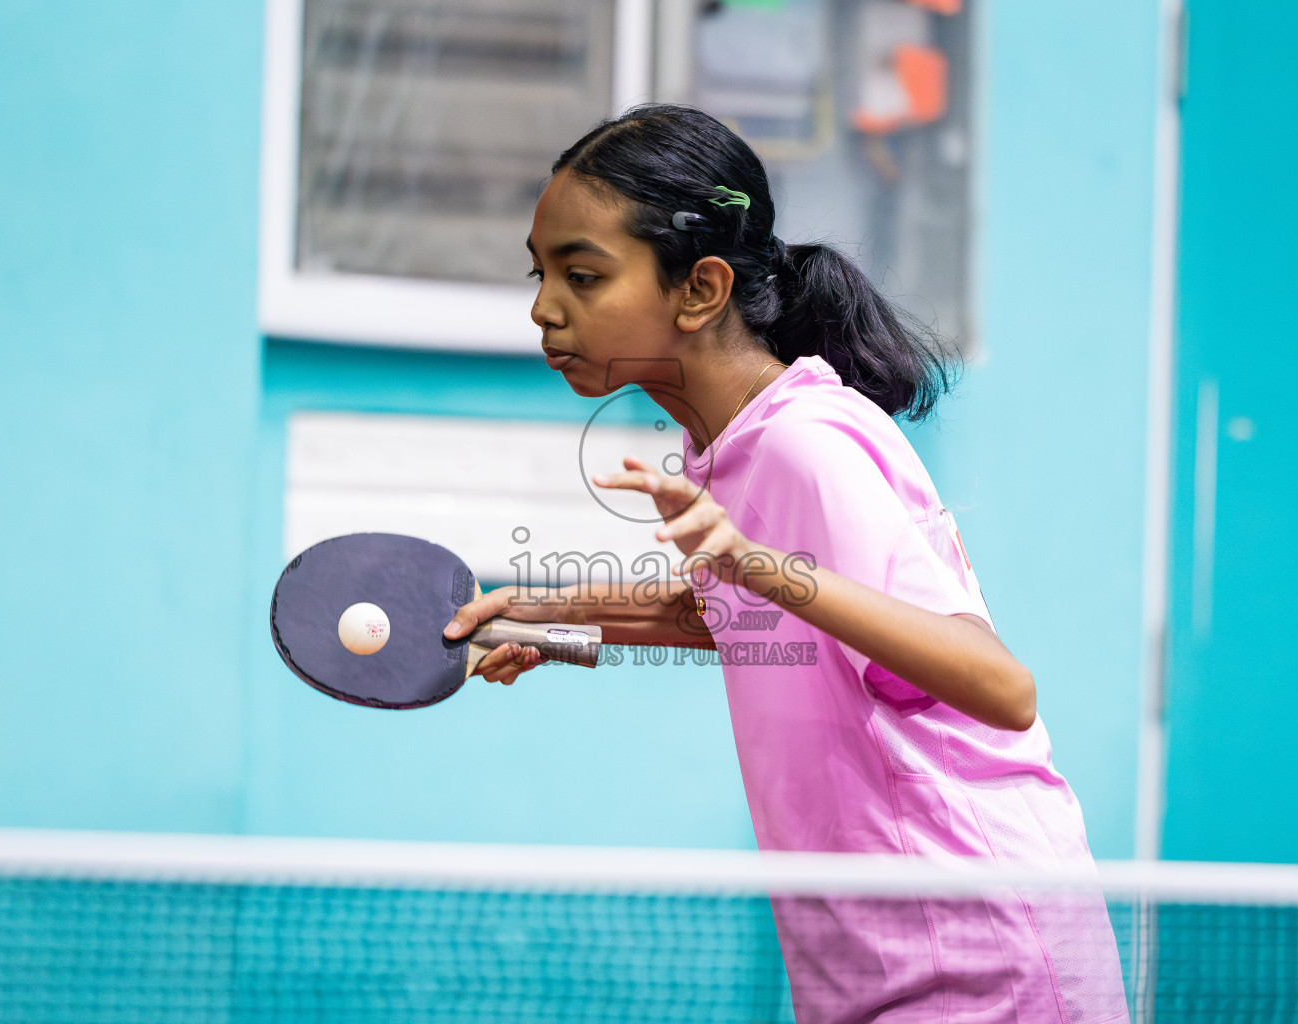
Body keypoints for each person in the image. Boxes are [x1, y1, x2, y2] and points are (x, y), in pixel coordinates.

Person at [443, 105, 1130, 1023]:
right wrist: (543, 615)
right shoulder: (731, 443)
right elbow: (744, 616)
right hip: (870, 955)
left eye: (583, 274)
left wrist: (761, 568)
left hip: (973, 956)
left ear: (699, 290)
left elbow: (999, 686)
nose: (543, 306)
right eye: (542, 273)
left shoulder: (808, 445)